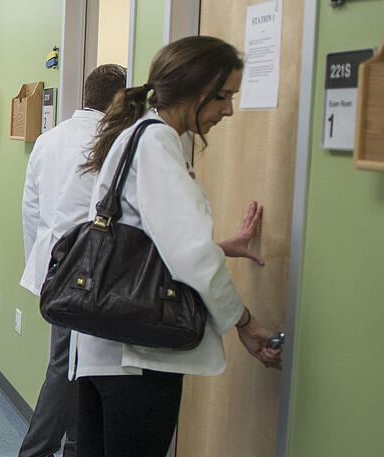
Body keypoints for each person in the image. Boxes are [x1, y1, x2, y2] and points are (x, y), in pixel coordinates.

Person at [70, 36, 282, 456]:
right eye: (222, 97)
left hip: (103, 347)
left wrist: (220, 246)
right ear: (193, 91)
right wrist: (244, 321)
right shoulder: (157, 144)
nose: (229, 110)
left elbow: (146, 242)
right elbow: (188, 256)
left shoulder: (135, 136)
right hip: (137, 357)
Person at [16, 63, 127, 457]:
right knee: (67, 366)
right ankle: (35, 450)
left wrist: (41, 265)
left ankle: (77, 447)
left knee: (81, 366)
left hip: (53, 268)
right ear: (117, 100)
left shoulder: (50, 139)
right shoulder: (112, 142)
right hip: (88, 275)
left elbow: (30, 208)